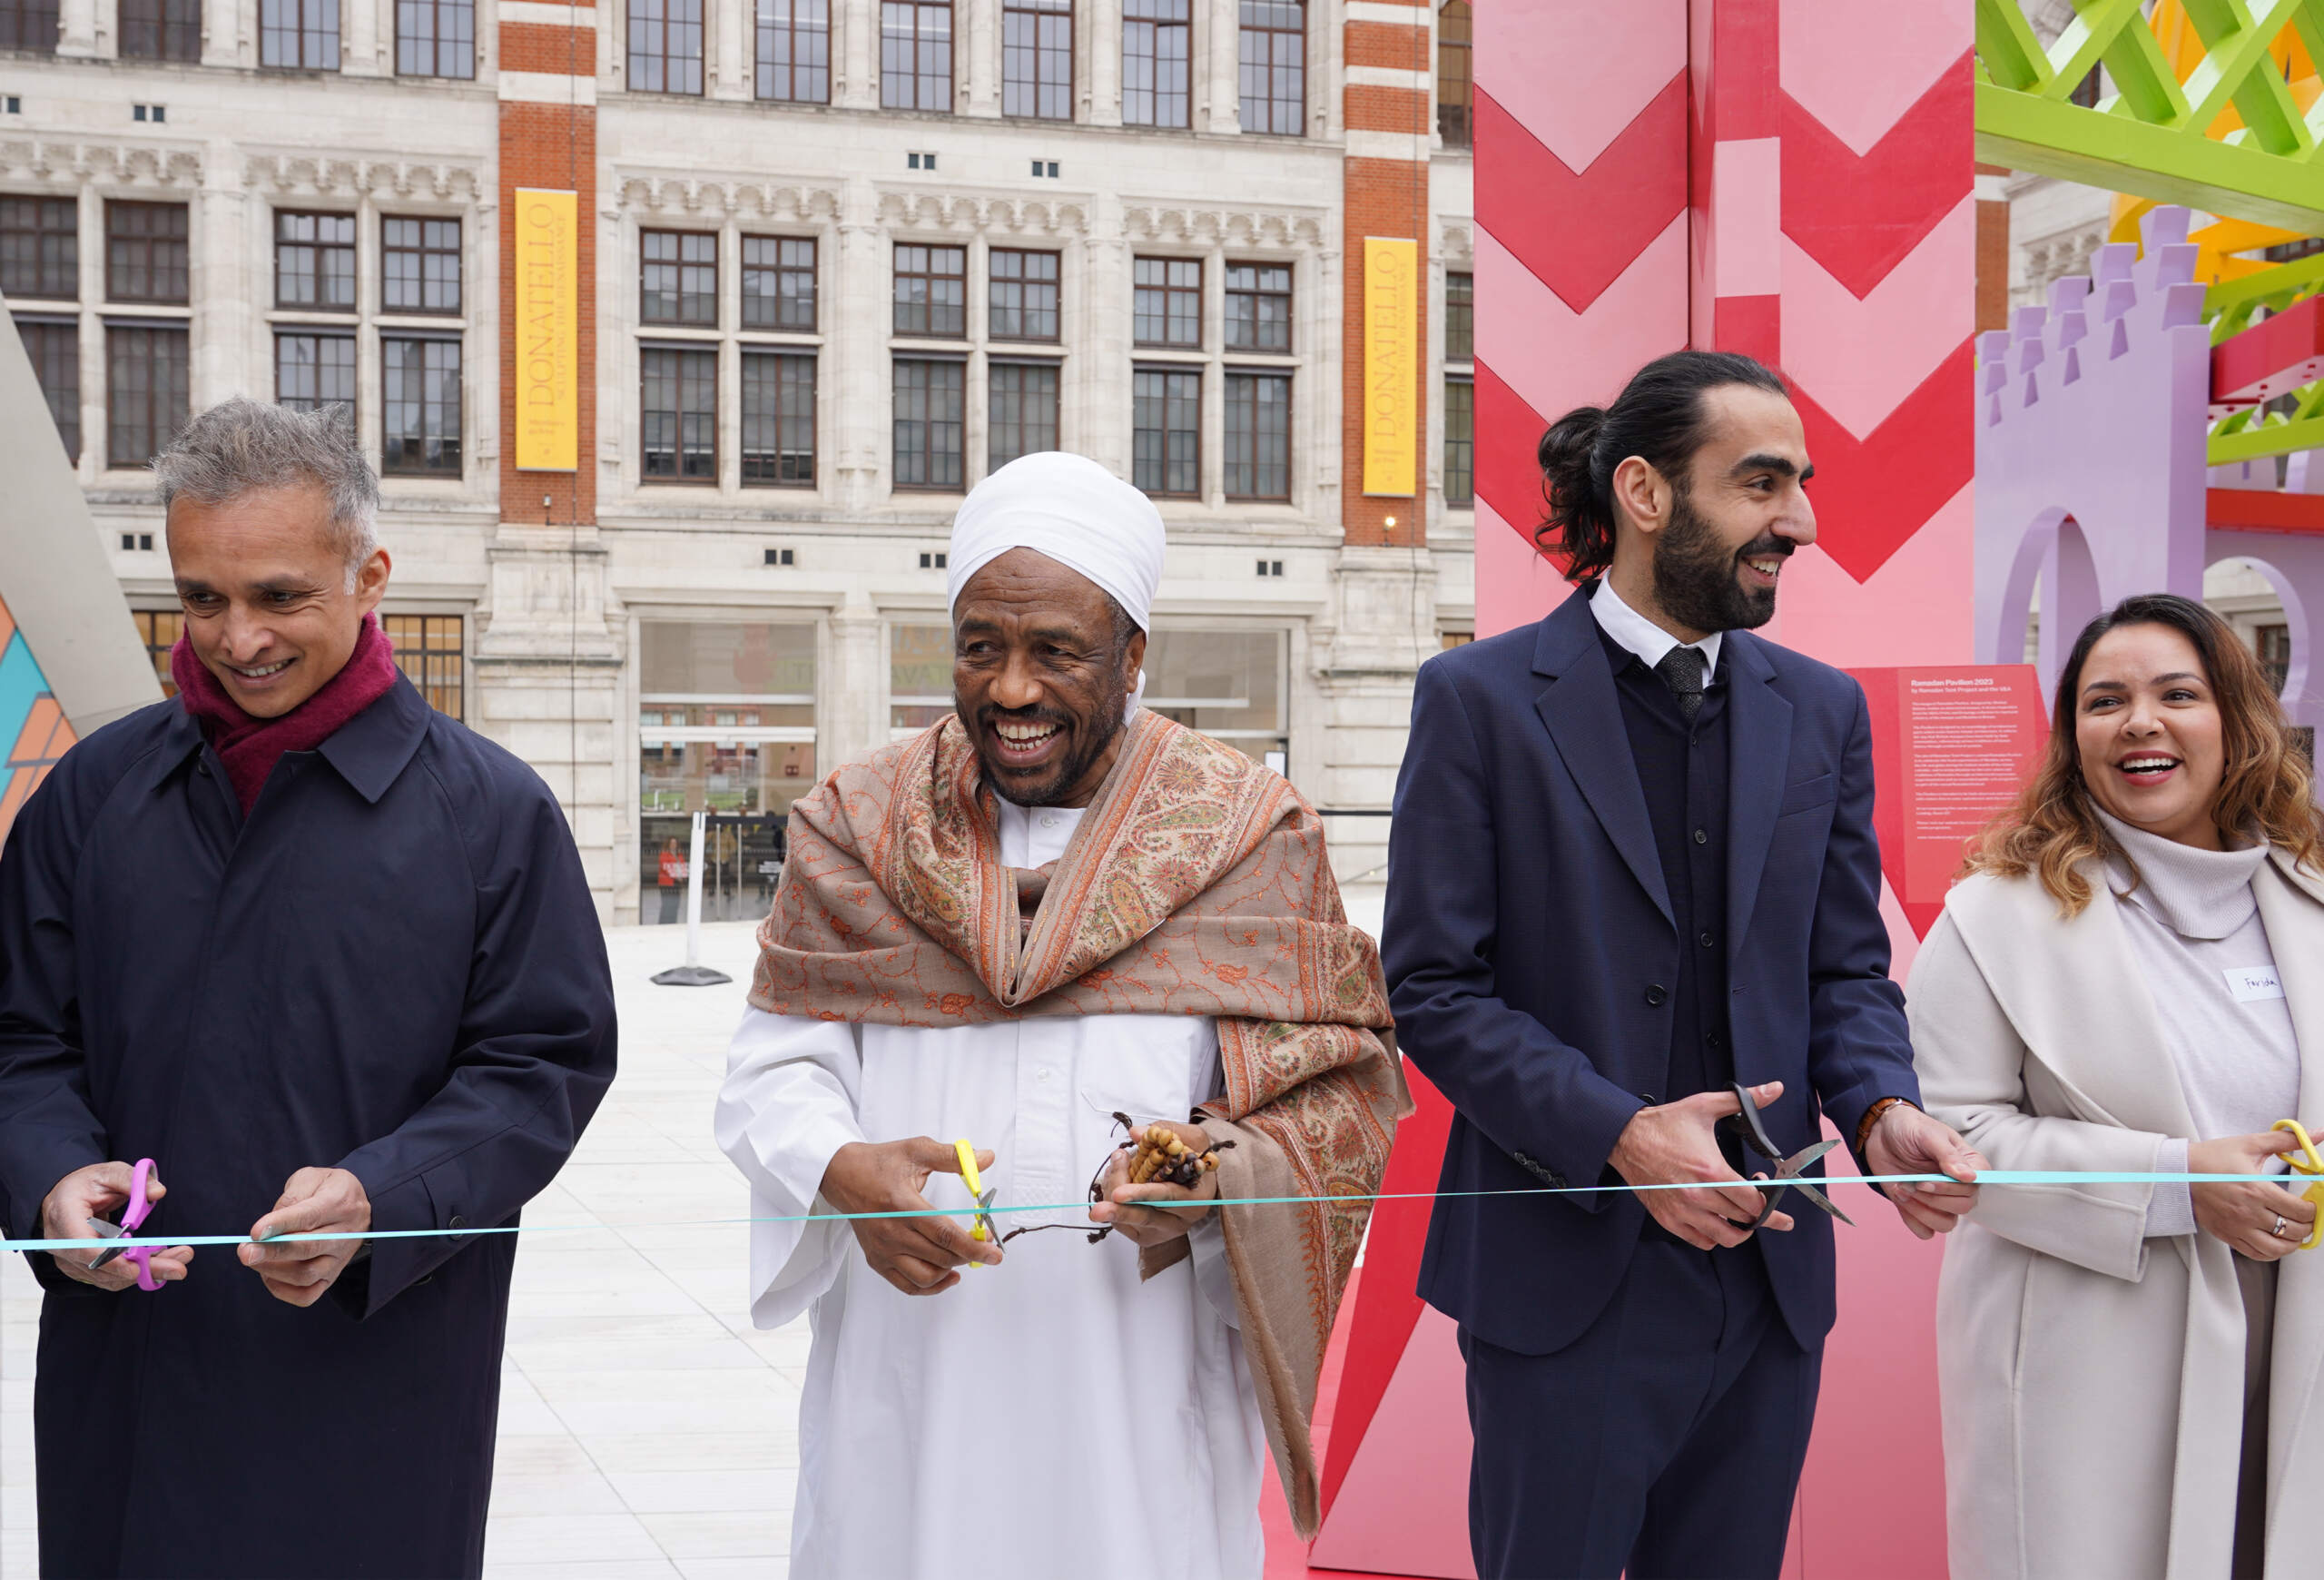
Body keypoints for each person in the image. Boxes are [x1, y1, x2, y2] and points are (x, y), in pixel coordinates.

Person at [714, 450, 1406, 1578]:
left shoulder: (1249, 837)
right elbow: (772, 1068)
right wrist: (835, 1167)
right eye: (981, 646)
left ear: (1133, 655)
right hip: (912, 1372)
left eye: (1056, 652)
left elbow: (1337, 1091)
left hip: (1138, 1381)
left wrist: (1215, 1171)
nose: (1012, 689)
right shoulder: (857, 824)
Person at [1383, 351, 1984, 1580]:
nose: (1800, 523)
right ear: (1647, 493)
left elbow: (1845, 971)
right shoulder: (1478, 699)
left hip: (1768, 1290)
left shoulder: (1822, 710)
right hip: (1560, 1285)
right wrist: (1620, 1134)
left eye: (1801, 484)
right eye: (1761, 483)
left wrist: (1879, 1109)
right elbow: (1435, 991)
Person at [0, 399, 618, 1579]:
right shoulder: (92, 796)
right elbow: (18, 1037)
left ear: (369, 572)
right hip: (127, 1389)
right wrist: (47, 1175)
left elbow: (541, 1066)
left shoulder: (492, 816)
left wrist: (382, 1195)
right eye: (201, 598)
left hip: (374, 1387)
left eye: (279, 596)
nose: (238, 640)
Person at [1911, 593, 2324, 1580]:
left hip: (2295, 1327)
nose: (2139, 721)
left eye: (2175, 694)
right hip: (2091, 1352)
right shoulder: (1992, 915)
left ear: (2235, 721)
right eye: (2105, 701)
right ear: (2073, 738)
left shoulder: (2309, 894)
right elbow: (1958, 1137)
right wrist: (2177, 1184)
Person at [659, 834, 684, 923]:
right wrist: (676, 876)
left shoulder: (679, 855)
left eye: (675, 843)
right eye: (672, 843)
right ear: (668, 844)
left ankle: (672, 922)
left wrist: (682, 876)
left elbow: (683, 866)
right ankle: (663, 923)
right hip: (667, 883)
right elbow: (665, 867)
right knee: (667, 904)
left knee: (675, 904)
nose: (674, 845)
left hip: (677, 883)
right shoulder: (664, 854)